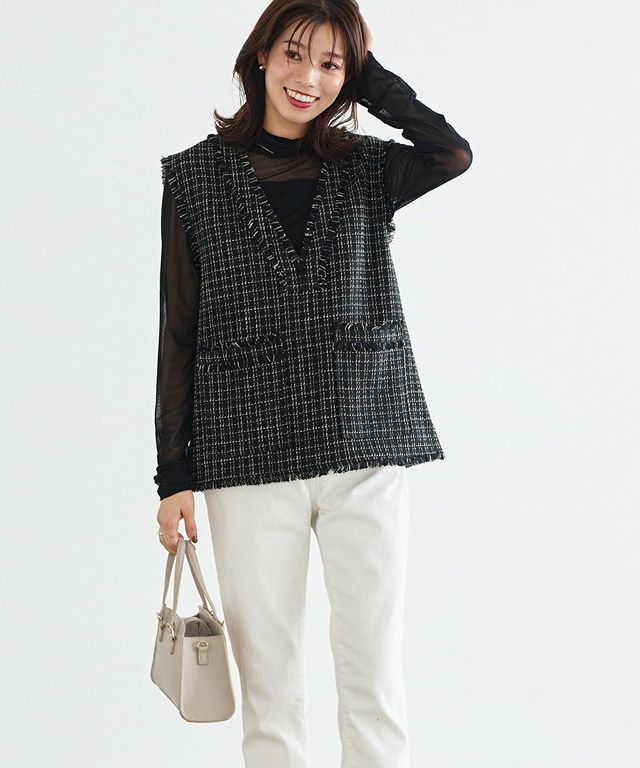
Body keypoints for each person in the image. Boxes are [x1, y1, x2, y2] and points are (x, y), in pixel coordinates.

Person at [154, 1, 472, 765]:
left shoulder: (370, 168)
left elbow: (451, 152)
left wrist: (367, 73)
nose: (309, 78)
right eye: (295, 54)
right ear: (261, 55)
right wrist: (173, 474)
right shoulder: (194, 176)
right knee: (270, 689)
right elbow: (179, 326)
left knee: (373, 677)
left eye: (332, 65)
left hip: (366, 442)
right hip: (246, 454)